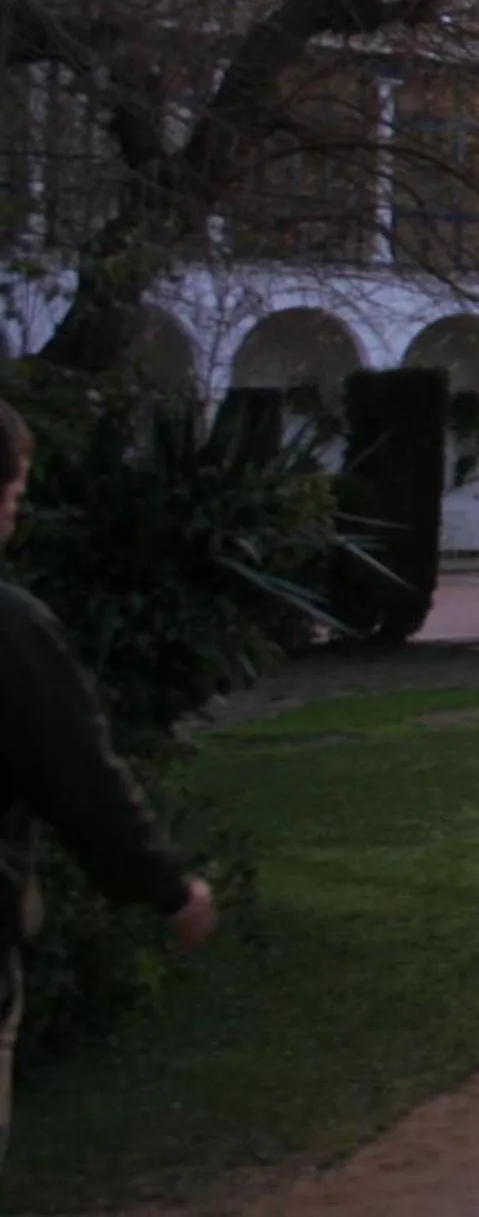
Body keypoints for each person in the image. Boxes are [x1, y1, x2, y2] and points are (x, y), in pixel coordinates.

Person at [0, 398, 216, 1162]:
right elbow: (80, 780)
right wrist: (169, 888)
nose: (14, 518)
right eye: (15, 496)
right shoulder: (11, 631)